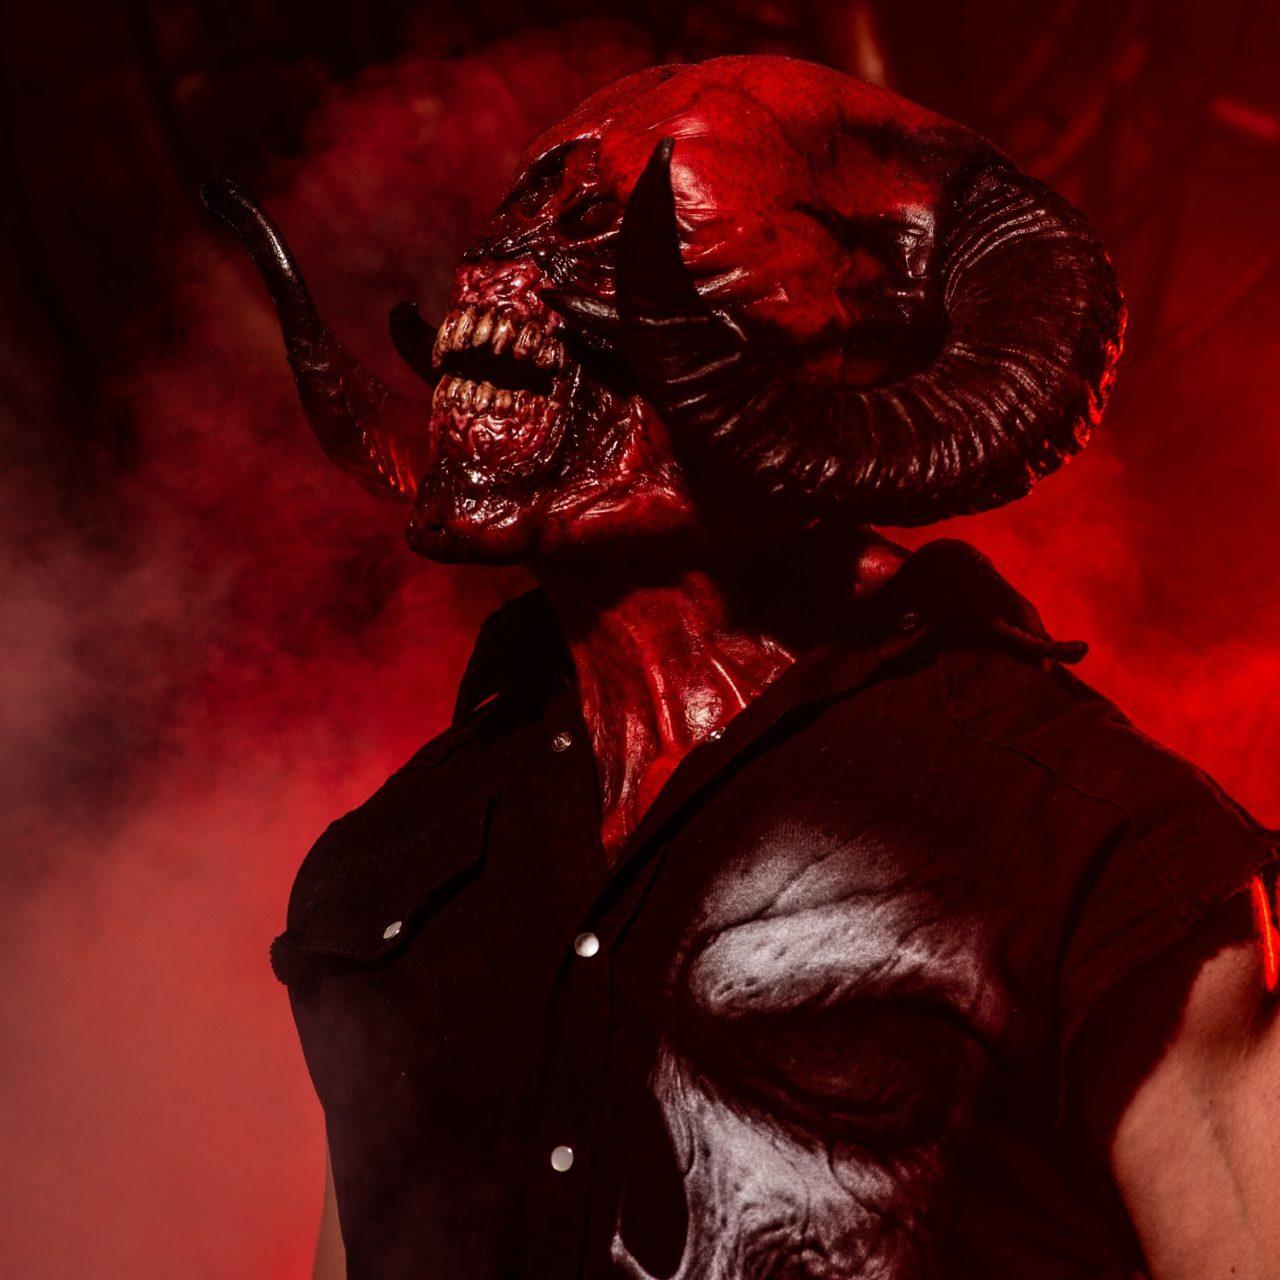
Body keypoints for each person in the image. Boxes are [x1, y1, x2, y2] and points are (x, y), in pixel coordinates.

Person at [208, 55, 1279, 1280]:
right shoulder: (395, 869)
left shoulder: (1087, 847)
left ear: (818, 367)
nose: (495, 275)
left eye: (607, 237)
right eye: (513, 224)